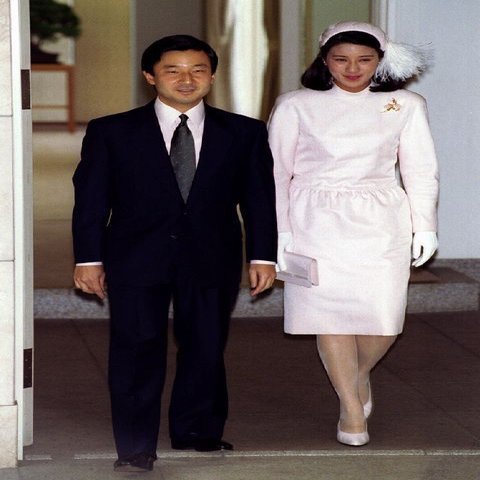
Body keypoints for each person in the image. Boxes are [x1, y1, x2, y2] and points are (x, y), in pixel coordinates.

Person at [72, 34, 277, 472]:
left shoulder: (243, 132)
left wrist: (263, 255)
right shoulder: (112, 131)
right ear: (150, 76)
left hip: (212, 254)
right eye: (173, 70)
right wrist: (88, 259)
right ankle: (135, 447)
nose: (187, 80)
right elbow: (91, 200)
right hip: (135, 256)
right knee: (136, 347)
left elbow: (259, 199)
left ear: (212, 76)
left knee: (206, 345)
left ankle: (198, 430)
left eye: (198, 70)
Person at [268, 21, 439, 447]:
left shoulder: (405, 104)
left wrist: (425, 226)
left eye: (364, 60)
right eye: (341, 59)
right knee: (327, 315)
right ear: (324, 60)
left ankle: (358, 374)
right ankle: (350, 407)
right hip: (314, 219)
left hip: (380, 218)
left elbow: (420, 170)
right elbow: (276, 174)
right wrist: (280, 229)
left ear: (380, 61)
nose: (352, 68)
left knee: (384, 317)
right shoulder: (295, 105)